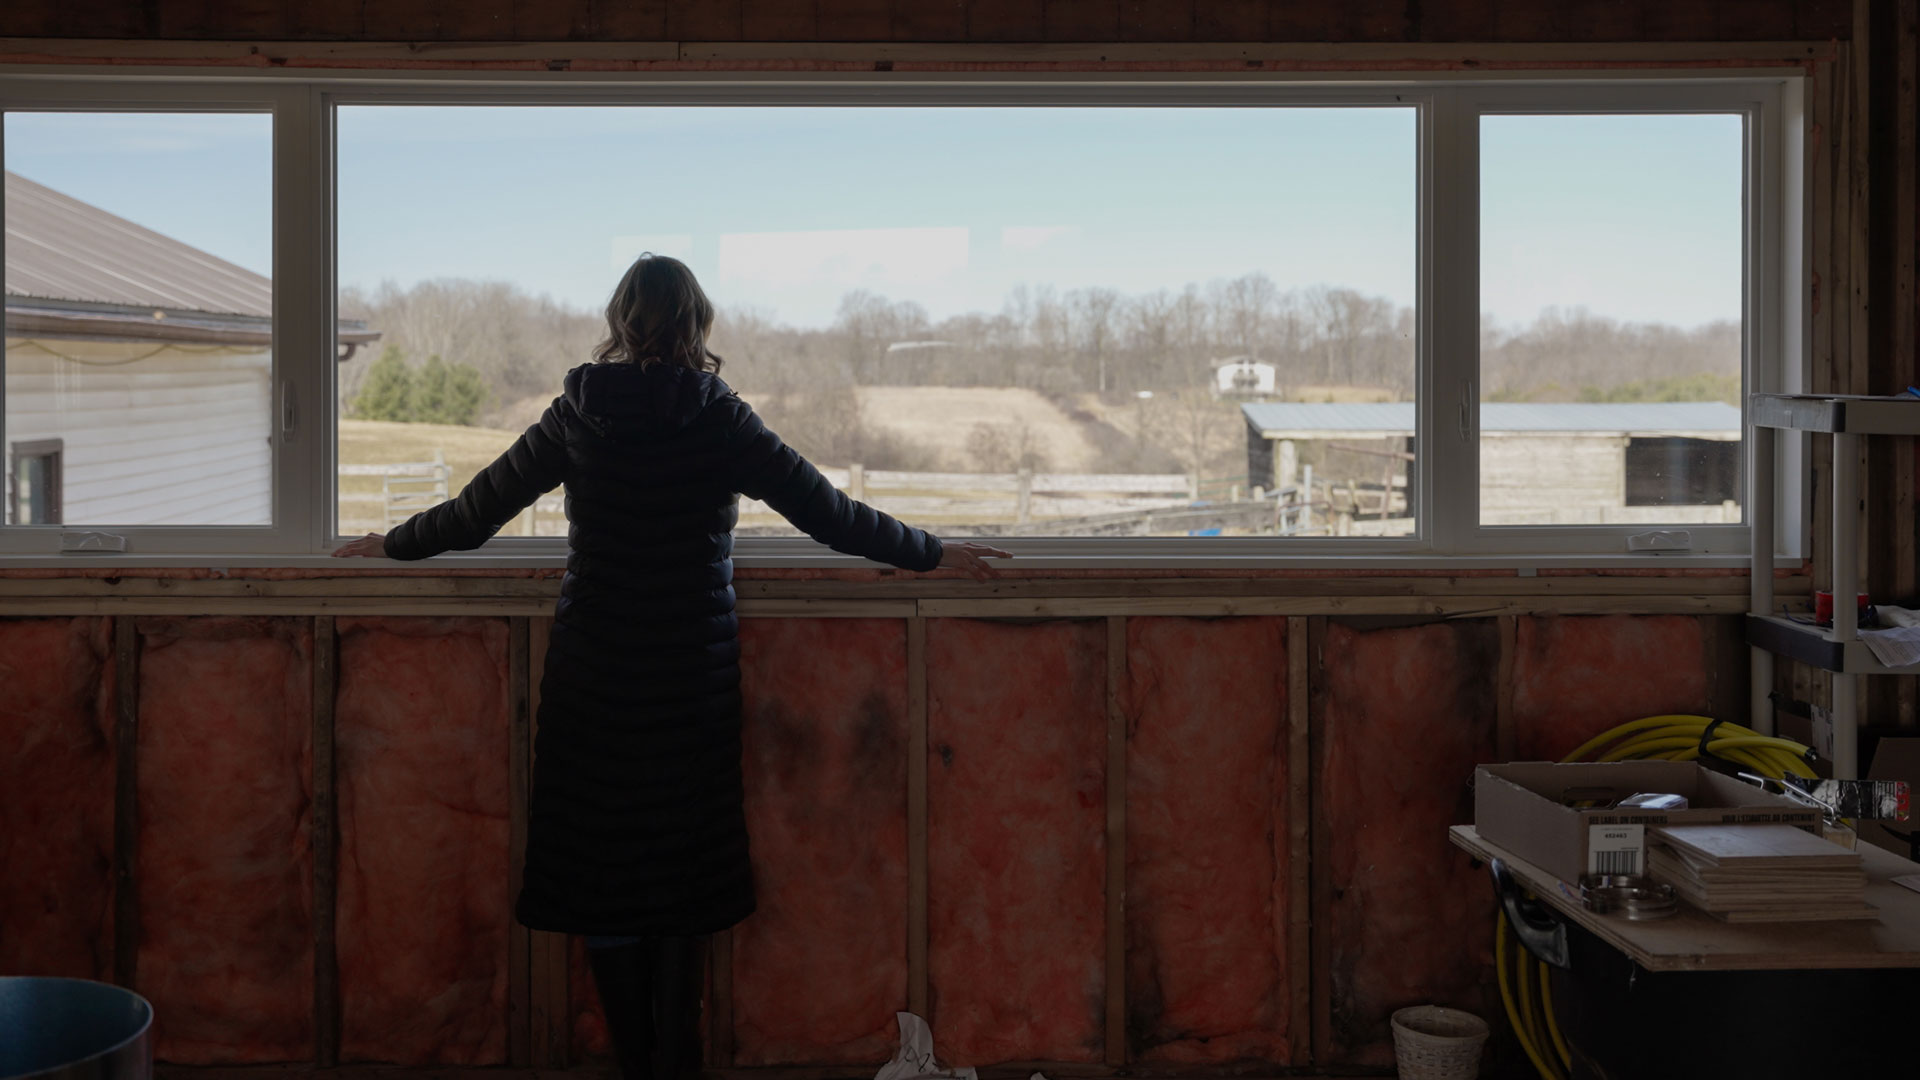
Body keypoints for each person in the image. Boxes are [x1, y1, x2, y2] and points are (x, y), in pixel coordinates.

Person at [334, 253, 1010, 1080]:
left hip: (595, 678)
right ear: (697, 323)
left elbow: (475, 513)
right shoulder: (718, 417)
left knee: (603, 869)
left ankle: (637, 1065)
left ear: (621, 322)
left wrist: (391, 543)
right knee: (684, 874)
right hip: (690, 680)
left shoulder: (578, 413)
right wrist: (932, 552)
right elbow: (829, 513)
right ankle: (679, 1063)